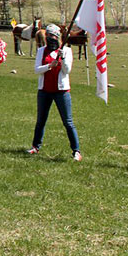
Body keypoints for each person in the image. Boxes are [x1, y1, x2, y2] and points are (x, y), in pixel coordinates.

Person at [28, 24, 81, 161]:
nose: (50, 39)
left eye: (53, 36)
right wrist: (49, 66)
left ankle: (76, 151)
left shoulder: (67, 51)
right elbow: (37, 70)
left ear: (58, 37)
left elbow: (67, 70)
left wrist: (62, 59)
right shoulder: (41, 51)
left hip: (61, 91)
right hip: (44, 91)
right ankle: (35, 146)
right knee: (41, 120)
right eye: (48, 36)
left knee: (68, 122)